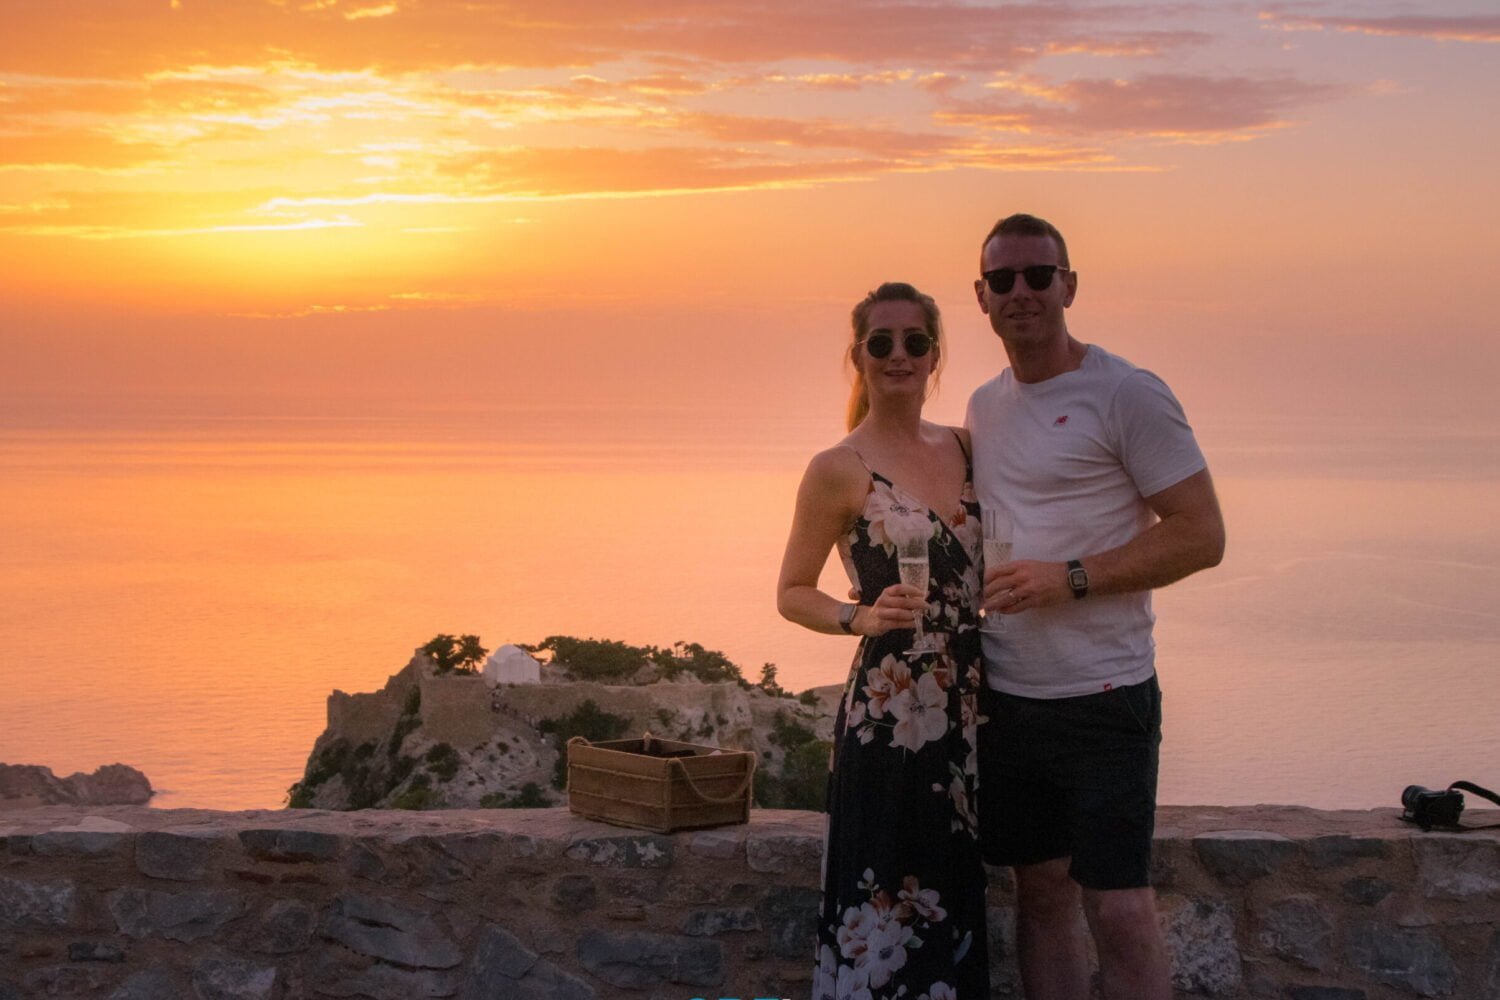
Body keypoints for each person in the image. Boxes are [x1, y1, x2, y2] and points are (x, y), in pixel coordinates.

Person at [966, 213, 1225, 1000]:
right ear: (981, 296)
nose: (1021, 291)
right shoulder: (983, 406)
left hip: (1105, 696)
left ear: (1069, 286)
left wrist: (1070, 579)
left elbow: (1201, 534)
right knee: (1041, 895)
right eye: (1003, 279)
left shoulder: (1125, 392)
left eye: (1038, 275)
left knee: (1118, 907)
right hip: (1012, 697)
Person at [778, 282, 990, 1000]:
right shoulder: (838, 467)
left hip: (973, 706)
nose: (899, 354)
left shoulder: (969, 447)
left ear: (934, 355)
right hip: (890, 712)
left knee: (955, 892)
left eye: (914, 341)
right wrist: (858, 618)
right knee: (885, 896)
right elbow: (792, 591)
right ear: (858, 356)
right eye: (881, 342)